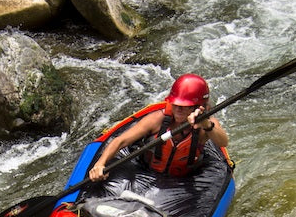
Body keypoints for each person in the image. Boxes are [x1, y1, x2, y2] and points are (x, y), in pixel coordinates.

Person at [89, 73, 229, 181]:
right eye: (176, 105)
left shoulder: (205, 125)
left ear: (198, 106)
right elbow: (120, 141)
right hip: (147, 171)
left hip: (184, 179)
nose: (178, 110)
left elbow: (223, 142)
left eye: (184, 107)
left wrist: (206, 124)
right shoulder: (157, 120)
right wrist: (100, 164)